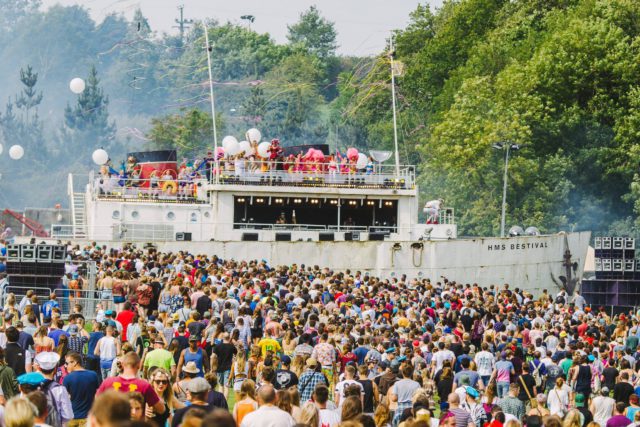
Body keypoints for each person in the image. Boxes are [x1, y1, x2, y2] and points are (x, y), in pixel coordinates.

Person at [97, 352, 165, 417]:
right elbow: (161, 409)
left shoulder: (108, 382)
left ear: (122, 364)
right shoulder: (144, 385)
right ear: (139, 365)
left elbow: (97, 404)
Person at [33, 352, 73, 427]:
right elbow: (68, 415)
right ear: (55, 369)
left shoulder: (31, 387)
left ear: (39, 368)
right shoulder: (60, 389)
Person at [62, 351, 100, 427]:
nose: (65, 366)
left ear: (75, 362)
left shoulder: (67, 378)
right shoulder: (93, 375)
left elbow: (65, 399)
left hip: (72, 417)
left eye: (67, 363)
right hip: (88, 417)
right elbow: (96, 395)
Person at [213, 333, 236, 399]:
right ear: (229, 338)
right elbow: (236, 354)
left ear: (223, 337)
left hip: (219, 368)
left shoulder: (218, 346)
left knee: (220, 386)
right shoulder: (231, 346)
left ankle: (220, 402)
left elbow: (213, 356)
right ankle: (225, 402)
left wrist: (213, 366)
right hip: (228, 368)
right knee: (226, 386)